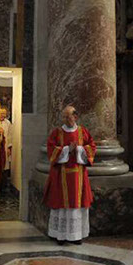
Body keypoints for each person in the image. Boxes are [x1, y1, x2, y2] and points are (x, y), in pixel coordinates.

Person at [43, 105, 95, 245]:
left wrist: (79, 150)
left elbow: (91, 147)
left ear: (75, 116)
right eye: (64, 116)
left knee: (76, 205)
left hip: (78, 175)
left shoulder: (82, 131)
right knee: (61, 204)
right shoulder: (57, 133)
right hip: (61, 175)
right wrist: (67, 149)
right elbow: (51, 150)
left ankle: (76, 235)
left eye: (69, 116)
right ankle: (60, 235)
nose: (66, 119)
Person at [0, 104, 13, 192]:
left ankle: (3, 186)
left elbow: (10, 136)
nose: (3, 115)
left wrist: (9, 147)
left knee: (4, 165)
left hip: (4, 147)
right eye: (2, 113)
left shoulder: (8, 123)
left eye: (5, 113)